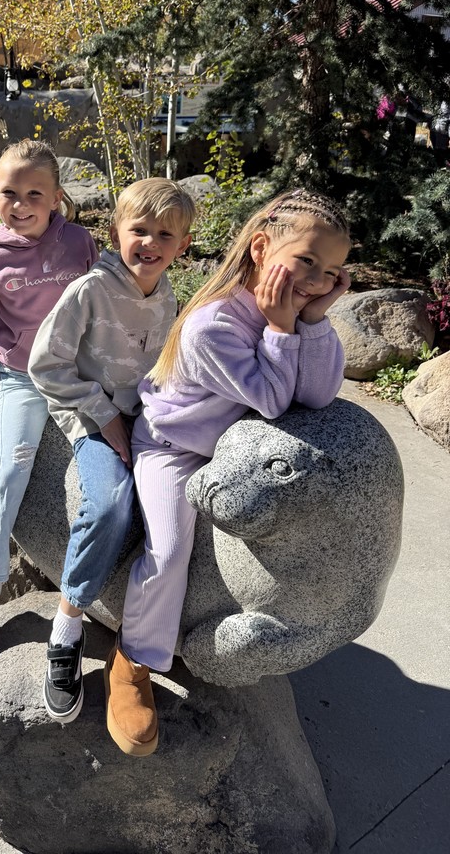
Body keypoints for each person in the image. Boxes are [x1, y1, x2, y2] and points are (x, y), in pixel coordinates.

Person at [105, 188, 351, 757]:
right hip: (174, 449)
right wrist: (284, 327)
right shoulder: (213, 324)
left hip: (231, 449)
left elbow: (316, 394)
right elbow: (274, 400)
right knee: (168, 550)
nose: (318, 278)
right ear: (262, 248)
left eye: (333, 271)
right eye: (307, 261)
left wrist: (311, 320)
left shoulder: (290, 312)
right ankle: (133, 659)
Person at [29, 178, 196, 723]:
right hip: (90, 413)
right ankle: (68, 624)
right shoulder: (88, 292)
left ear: (183, 246)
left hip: (144, 418)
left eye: (163, 235)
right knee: (109, 506)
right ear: (114, 232)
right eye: (138, 230)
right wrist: (104, 417)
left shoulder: (169, 295)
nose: (149, 243)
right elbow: (45, 366)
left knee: (173, 510)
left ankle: (146, 636)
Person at [0, 139, 98, 649]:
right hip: (22, 378)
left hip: (77, 371)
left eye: (33, 194)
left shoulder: (79, 243)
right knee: (12, 464)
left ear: (57, 197)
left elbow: (100, 305)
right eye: (8, 193)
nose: (20, 205)